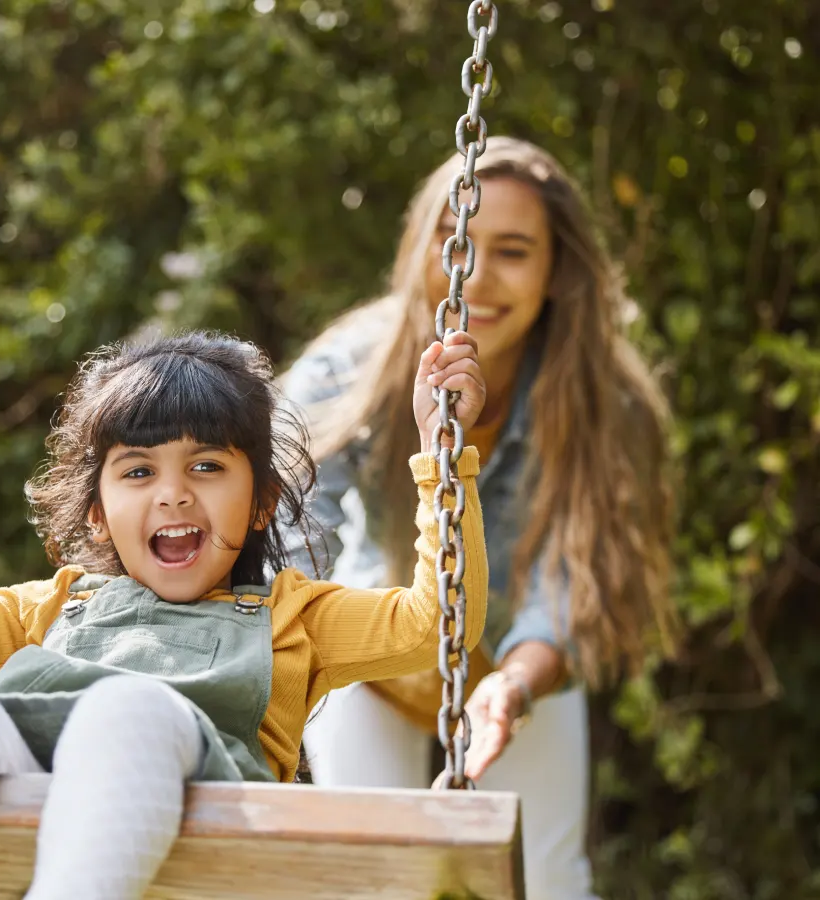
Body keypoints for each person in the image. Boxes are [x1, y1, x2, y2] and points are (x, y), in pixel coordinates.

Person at [0, 329, 490, 899]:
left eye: (205, 467)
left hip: (212, 838)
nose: (172, 495)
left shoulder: (295, 616)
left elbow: (435, 625)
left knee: (127, 710)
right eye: (138, 473)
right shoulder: (54, 604)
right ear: (97, 515)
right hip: (34, 806)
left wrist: (443, 458)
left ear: (261, 503)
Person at [282, 137, 680, 899]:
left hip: (516, 667)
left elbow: (576, 578)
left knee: (548, 880)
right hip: (379, 651)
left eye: (515, 251)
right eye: (457, 242)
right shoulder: (352, 368)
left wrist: (515, 687)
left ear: (556, 271)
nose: (477, 276)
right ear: (421, 246)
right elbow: (295, 525)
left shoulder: (603, 401)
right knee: (372, 876)